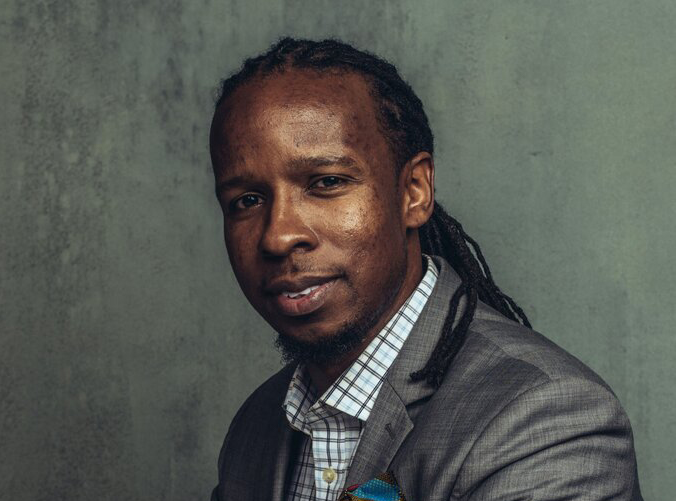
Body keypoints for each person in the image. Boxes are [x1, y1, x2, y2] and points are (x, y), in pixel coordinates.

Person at [208, 37, 641, 501]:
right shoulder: (257, 427)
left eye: (327, 183)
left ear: (414, 191)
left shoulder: (545, 421)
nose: (277, 235)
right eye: (247, 200)